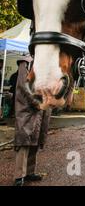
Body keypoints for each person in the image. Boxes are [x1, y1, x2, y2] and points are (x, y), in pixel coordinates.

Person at [13, 56, 51, 186]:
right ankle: (19, 176)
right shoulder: (26, 62)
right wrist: (36, 103)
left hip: (42, 108)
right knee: (24, 141)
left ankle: (29, 172)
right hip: (27, 109)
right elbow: (24, 86)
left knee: (35, 140)